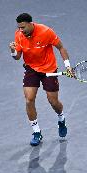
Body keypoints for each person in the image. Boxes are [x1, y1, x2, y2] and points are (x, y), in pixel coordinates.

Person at [9, 13, 74, 146]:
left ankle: (61, 119)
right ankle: (36, 132)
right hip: (31, 69)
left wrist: (68, 66)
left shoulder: (46, 31)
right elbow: (17, 57)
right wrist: (13, 51)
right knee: (29, 100)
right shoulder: (19, 35)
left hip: (49, 69)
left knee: (53, 101)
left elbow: (60, 47)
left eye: (23, 27)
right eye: (19, 28)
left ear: (30, 23)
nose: (21, 30)